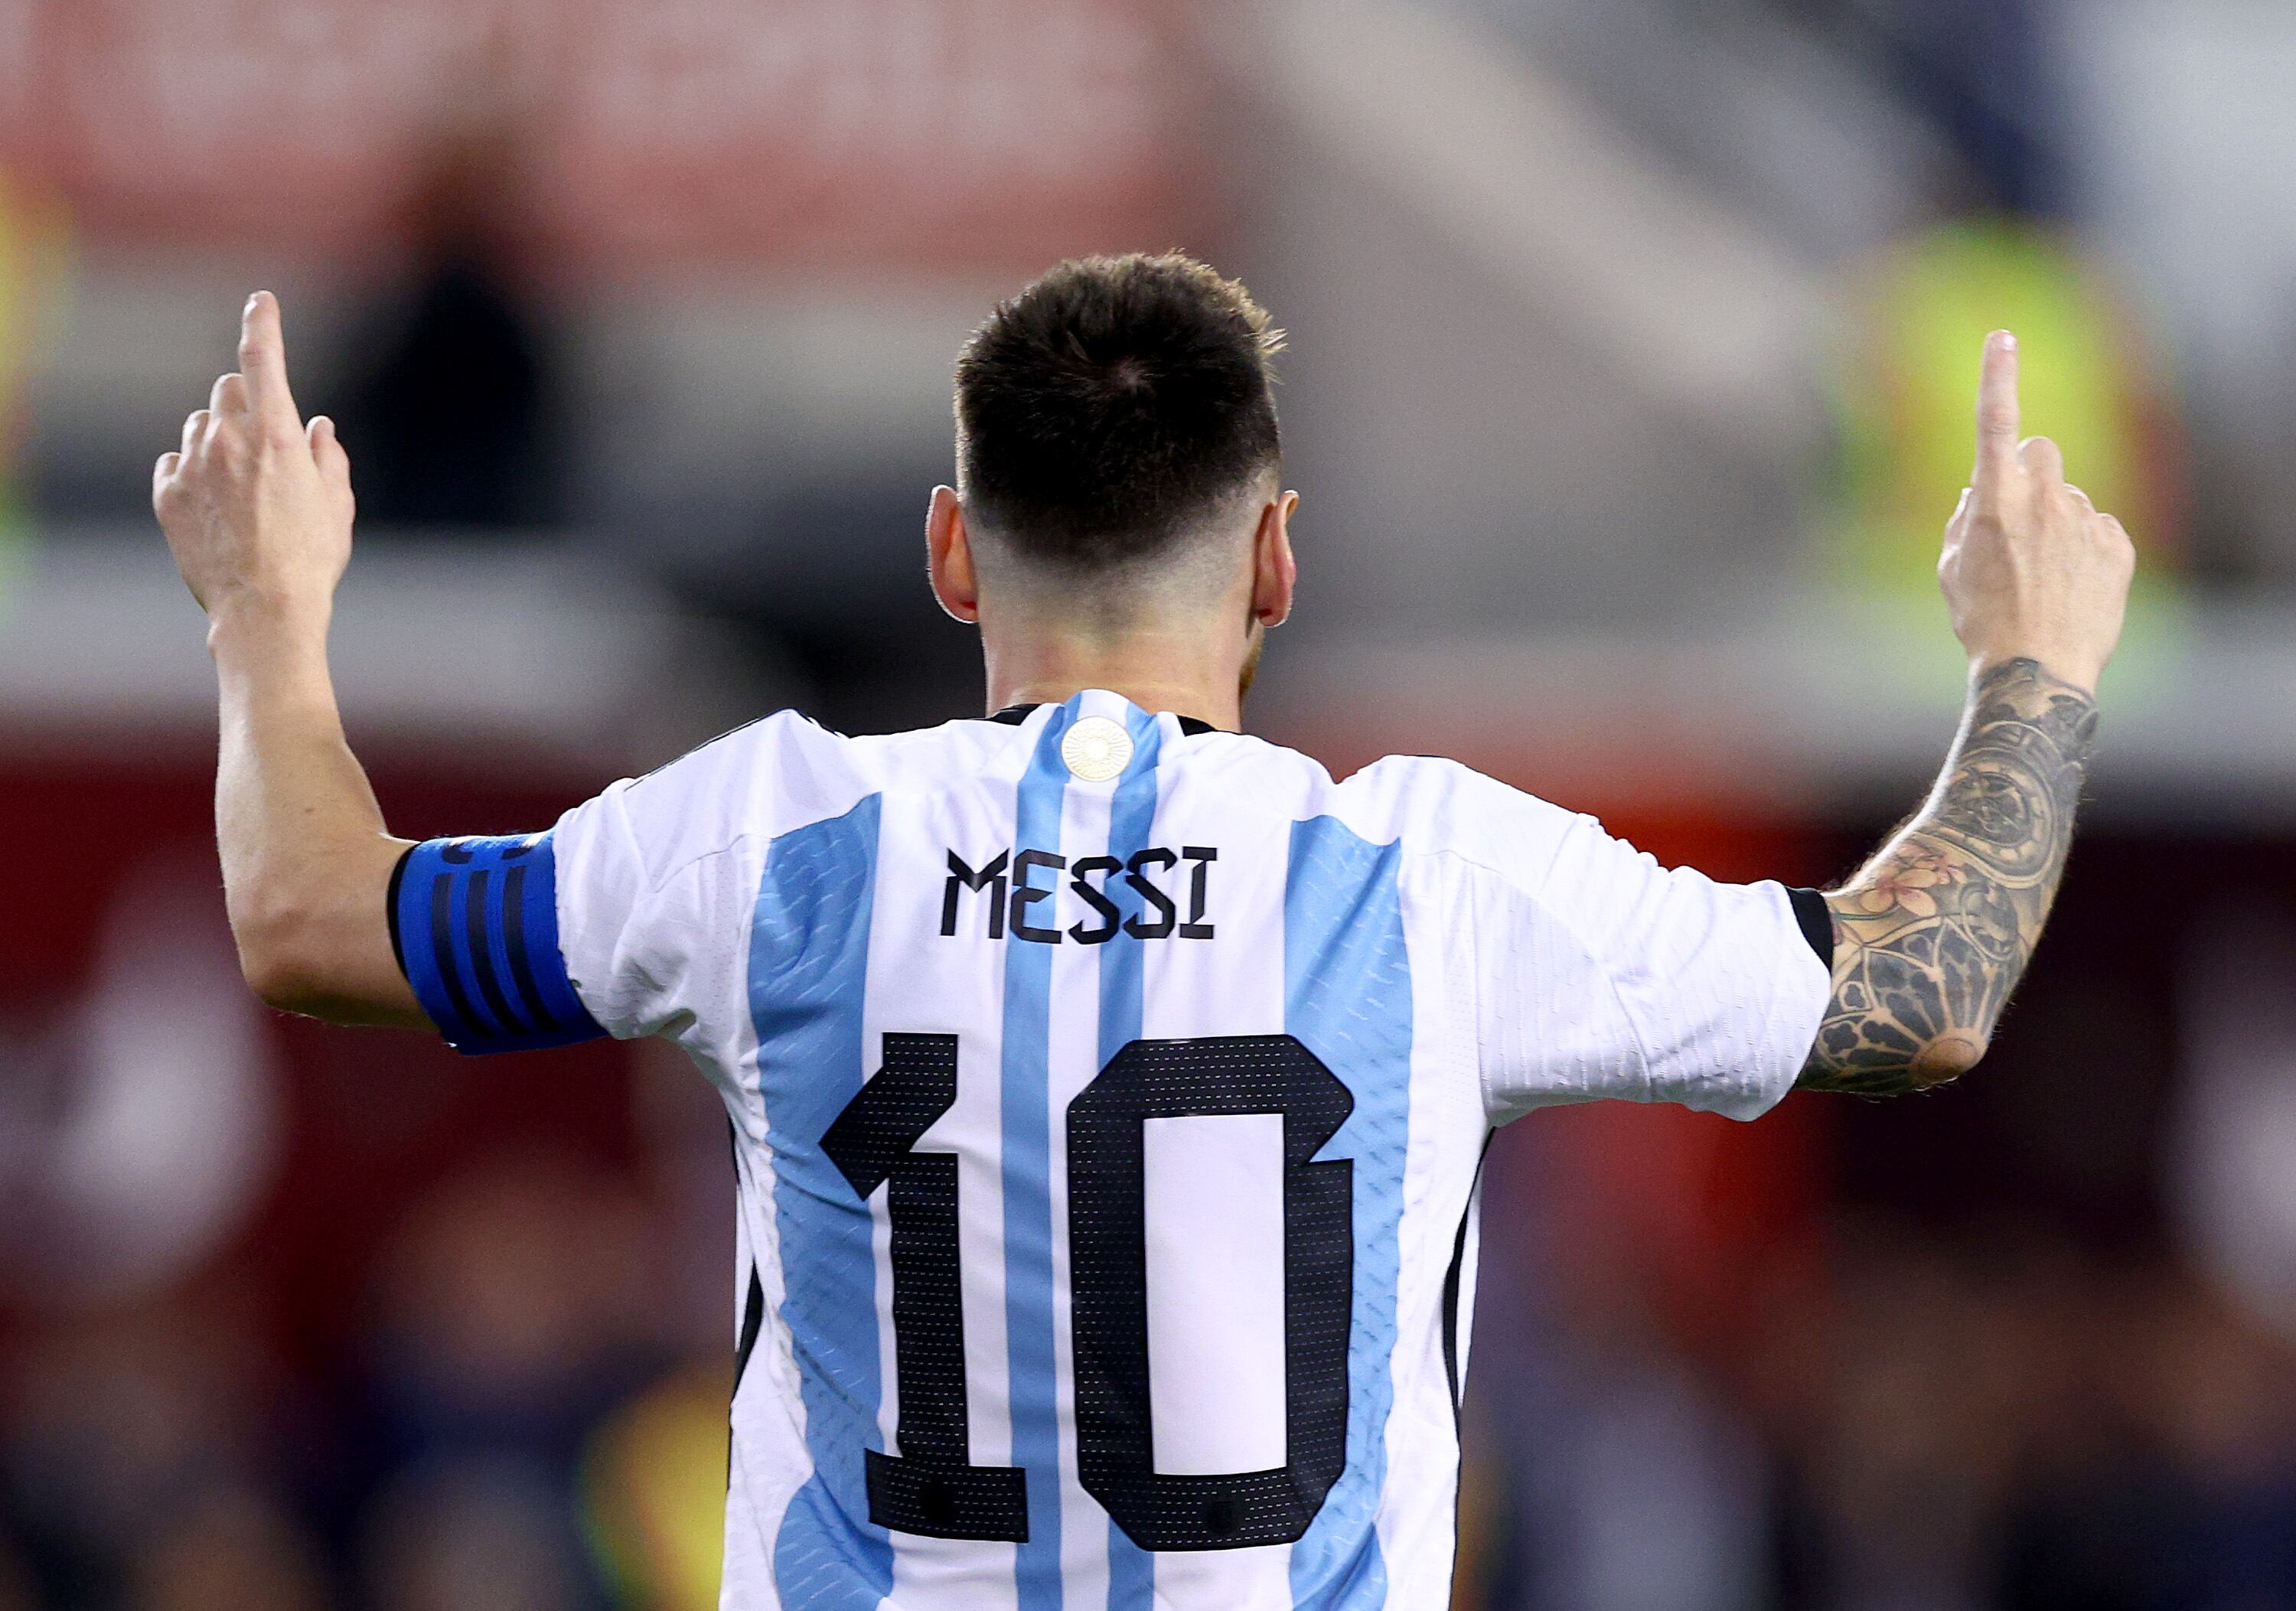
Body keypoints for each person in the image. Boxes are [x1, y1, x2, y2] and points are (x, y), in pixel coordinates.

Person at [150, 256, 2133, 1610]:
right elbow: (1917, 990)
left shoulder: (774, 840)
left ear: (951, 550)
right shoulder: (1426, 880)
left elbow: (316, 911)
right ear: (1278, 555)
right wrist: (2032, 669)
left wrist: (268, 612)